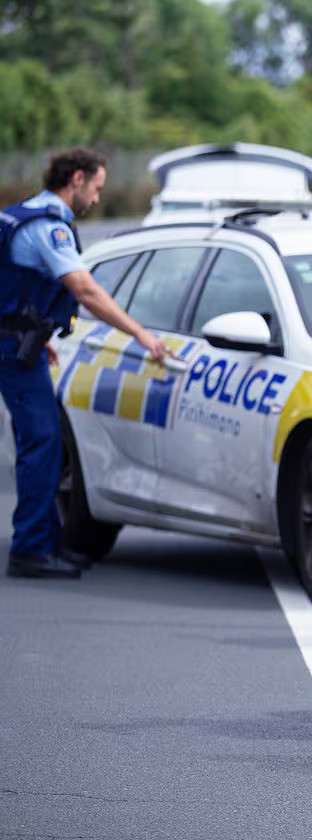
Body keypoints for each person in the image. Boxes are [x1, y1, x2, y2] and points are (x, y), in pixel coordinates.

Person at [1, 148, 171, 579]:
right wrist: (140, 333)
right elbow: (85, 289)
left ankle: (46, 542)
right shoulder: (48, 227)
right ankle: (31, 550)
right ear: (76, 178)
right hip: (12, 350)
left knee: (44, 441)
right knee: (41, 441)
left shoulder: (24, 214)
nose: (96, 199)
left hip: (21, 345)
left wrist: (32, 333)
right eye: (96, 188)